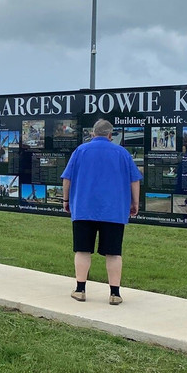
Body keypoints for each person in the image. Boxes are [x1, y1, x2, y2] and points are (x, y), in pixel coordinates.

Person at [60, 119, 142, 305]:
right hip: (114, 210)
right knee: (113, 253)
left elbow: (67, 178)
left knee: (82, 250)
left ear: (92, 133)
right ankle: (115, 294)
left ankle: (80, 290)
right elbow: (134, 180)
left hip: (83, 208)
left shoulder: (81, 151)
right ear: (110, 135)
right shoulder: (122, 153)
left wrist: (66, 200)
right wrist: (134, 202)